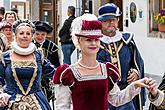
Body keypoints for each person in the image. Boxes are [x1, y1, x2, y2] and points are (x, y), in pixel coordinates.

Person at [52, 13, 149, 110]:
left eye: (96, 40)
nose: (93, 43)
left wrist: (134, 85)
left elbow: (116, 99)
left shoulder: (106, 70)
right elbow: (62, 107)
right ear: (79, 41)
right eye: (88, 40)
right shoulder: (69, 74)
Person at [96, 3, 146, 110]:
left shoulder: (127, 41)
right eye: (106, 20)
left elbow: (138, 62)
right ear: (100, 23)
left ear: (118, 20)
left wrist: (136, 73)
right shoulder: (95, 44)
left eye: (113, 19)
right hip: (104, 95)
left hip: (126, 94)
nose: (110, 23)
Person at [0, 19, 55, 110]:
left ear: (32, 36)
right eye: (21, 33)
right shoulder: (5, 57)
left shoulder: (38, 56)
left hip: (37, 102)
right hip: (11, 101)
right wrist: (2, 94)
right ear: (15, 35)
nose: (25, 36)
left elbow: (53, 73)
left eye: (28, 34)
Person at [33, 20, 60, 102]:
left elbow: (56, 64)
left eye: (43, 34)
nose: (40, 37)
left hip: (45, 81)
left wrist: (54, 78)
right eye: (37, 34)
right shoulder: (28, 45)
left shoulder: (52, 47)